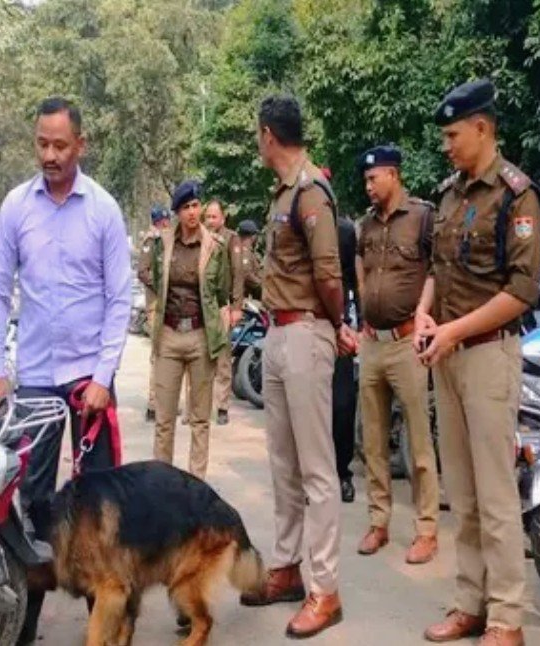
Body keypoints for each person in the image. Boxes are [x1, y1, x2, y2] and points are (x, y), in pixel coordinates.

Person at [416, 80, 540, 646]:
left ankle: (506, 618)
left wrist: (453, 331)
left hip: (489, 356)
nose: (446, 145)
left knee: (495, 496)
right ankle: (469, 602)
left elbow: (521, 292)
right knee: (462, 495)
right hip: (447, 354)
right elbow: (436, 269)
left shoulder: (516, 195)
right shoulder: (449, 194)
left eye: (452, 135)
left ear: (482, 129)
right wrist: (424, 314)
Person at [0, 97, 131, 547]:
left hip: (89, 378)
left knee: (100, 503)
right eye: (42, 144)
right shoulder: (16, 207)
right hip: (36, 380)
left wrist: (103, 376)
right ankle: (37, 589)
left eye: (60, 146)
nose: (49, 155)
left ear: (80, 145)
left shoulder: (103, 209)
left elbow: (119, 299)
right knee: (32, 501)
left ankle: (98, 593)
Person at [239, 94, 357, 638]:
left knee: (316, 469)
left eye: (257, 135)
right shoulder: (283, 192)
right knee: (283, 464)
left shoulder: (311, 191)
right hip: (279, 332)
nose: (257, 143)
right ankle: (287, 568)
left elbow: (329, 275)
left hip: (308, 331)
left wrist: (336, 324)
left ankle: (325, 589)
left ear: (268, 135)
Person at [352, 144, 441, 563]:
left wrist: (423, 313)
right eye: (365, 180)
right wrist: (364, 307)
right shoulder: (365, 224)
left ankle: (427, 530)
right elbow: (360, 264)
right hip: (372, 342)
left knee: (419, 443)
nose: (368, 186)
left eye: (374, 179)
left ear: (393, 174)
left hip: (407, 343)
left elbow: (437, 270)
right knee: (373, 442)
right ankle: (379, 523)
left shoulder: (422, 217)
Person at [142, 180, 232, 478]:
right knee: (164, 420)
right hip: (169, 335)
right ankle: (162, 484)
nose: (192, 212)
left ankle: (196, 484)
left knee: (200, 420)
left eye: (195, 206)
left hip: (200, 336)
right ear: (177, 213)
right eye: (185, 208)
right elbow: (157, 281)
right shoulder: (162, 244)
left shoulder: (215, 247)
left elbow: (221, 291)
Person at [199, 200, 244, 426]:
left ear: (222, 218)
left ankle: (223, 406)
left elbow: (238, 273)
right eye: (207, 217)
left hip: (221, 306)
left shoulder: (230, 238)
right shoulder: (199, 237)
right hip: (201, 306)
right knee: (199, 357)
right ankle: (197, 408)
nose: (210, 221)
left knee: (223, 359)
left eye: (214, 217)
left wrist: (236, 307)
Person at [333, 204, 360, 504]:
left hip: (339, 329)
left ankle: (342, 472)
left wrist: (359, 324)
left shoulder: (344, 231)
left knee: (342, 404)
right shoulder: (297, 228)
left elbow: (355, 279)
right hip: (307, 327)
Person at [138, 204, 172, 422]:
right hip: (156, 306)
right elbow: (143, 272)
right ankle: (153, 405)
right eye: (165, 221)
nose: (167, 224)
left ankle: (164, 402)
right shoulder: (151, 241)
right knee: (158, 355)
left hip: (168, 305)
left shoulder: (166, 240)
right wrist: (161, 287)